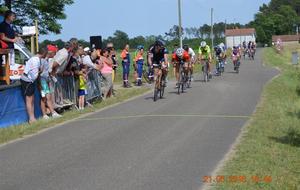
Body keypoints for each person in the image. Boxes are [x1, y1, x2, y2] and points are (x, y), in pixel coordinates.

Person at [20, 48, 48, 124]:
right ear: (44, 53)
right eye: (46, 53)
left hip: (29, 80)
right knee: (29, 100)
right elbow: (34, 75)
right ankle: (31, 118)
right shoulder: (35, 60)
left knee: (31, 100)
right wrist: (40, 71)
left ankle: (32, 118)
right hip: (27, 81)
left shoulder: (36, 59)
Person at [40, 46, 62, 119]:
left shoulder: (47, 60)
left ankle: (52, 112)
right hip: (42, 81)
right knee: (44, 98)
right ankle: (44, 114)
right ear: (51, 52)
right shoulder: (42, 60)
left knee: (48, 97)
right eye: (55, 53)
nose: (55, 55)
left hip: (45, 81)